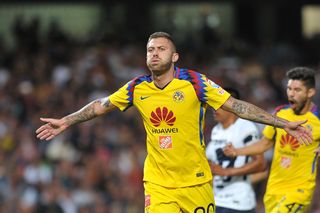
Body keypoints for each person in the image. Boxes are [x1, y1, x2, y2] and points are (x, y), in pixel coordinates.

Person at [36, 32, 312, 213]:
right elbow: (100, 106)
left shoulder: (195, 82)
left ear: (174, 56)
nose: (154, 53)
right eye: (150, 49)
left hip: (195, 182)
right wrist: (67, 121)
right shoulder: (136, 88)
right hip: (158, 183)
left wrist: (281, 123)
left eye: (161, 49)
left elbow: (236, 106)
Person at [224, 67, 320, 213]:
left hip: (299, 190)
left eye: (297, 90)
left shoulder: (317, 119)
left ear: (310, 92)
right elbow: (265, 143)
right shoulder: (280, 113)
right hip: (273, 189)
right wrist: (237, 151)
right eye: (289, 89)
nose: (291, 94)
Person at [206, 87, 266, 213]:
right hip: (216, 199)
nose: (214, 108)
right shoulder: (216, 130)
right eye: (213, 104)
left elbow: (261, 164)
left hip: (238, 203)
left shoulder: (245, 127)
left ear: (232, 107)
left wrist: (227, 172)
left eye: (220, 105)